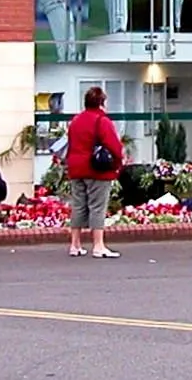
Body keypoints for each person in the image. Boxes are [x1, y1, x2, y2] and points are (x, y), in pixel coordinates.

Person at [66, 86, 125, 258]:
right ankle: (98, 245)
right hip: (97, 169)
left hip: (76, 168)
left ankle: (75, 244)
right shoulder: (102, 121)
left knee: (78, 206)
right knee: (97, 206)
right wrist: (119, 162)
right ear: (101, 103)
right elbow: (114, 145)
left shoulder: (75, 120)